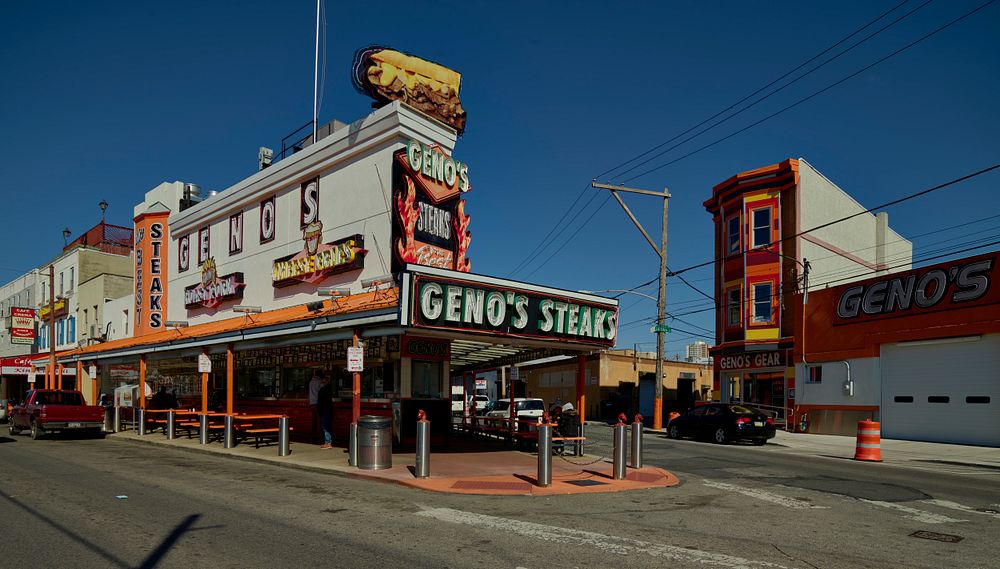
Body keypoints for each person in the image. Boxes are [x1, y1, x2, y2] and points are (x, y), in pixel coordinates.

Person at [317, 374, 334, 449]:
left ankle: (328, 442)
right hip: (328, 410)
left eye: (323, 381)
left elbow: (321, 401)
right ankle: (328, 442)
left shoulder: (323, 390)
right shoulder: (329, 389)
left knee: (325, 427)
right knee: (328, 426)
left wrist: (319, 410)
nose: (321, 382)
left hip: (324, 411)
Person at [308, 370, 323, 443]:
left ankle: (312, 436)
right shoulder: (319, 381)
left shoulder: (311, 382)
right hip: (317, 402)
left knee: (313, 421)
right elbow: (322, 391)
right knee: (319, 420)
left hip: (312, 403)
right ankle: (319, 436)